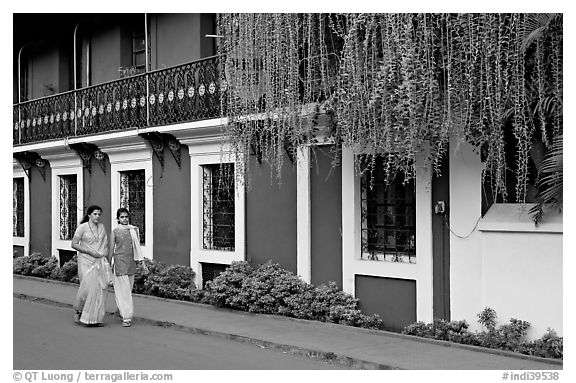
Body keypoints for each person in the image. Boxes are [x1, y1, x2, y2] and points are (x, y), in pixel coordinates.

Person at [108, 208, 148, 327]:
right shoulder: (115, 232)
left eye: (126, 217)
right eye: (122, 217)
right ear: (118, 219)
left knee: (128, 289)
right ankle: (127, 317)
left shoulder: (133, 230)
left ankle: (120, 310)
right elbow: (111, 249)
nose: (124, 219)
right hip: (119, 262)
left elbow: (137, 249)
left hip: (131, 263)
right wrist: (108, 264)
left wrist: (142, 263)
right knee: (123, 290)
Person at [71, 205, 110, 326]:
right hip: (85, 260)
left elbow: (105, 244)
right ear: (89, 215)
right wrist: (89, 251)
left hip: (98, 261)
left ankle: (96, 318)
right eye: (95, 214)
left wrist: (104, 253)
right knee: (87, 288)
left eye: (99, 214)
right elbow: (74, 244)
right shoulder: (82, 228)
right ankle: (78, 310)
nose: (97, 216)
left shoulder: (102, 227)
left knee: (99, 289)